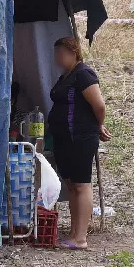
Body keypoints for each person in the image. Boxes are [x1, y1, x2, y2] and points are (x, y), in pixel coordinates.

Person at [47, 35, 110, 250]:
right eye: (56, 54)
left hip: (81, 137)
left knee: (82, 185)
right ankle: (74, 232)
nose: (57, 58)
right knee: (71, 185)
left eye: (61, 53)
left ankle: (80, 237)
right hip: (64, 138)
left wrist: (99, 124)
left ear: (74, 53)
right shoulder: (65, 76)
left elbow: (99, 104)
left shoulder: (83, 74)